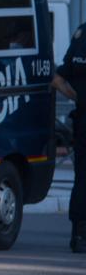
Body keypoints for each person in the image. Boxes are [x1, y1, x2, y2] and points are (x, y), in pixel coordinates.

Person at [52, 25, 86, 253]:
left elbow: (57, 78)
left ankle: (79, 234)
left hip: (82, 120)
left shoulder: (81, 35)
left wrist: (78, 98)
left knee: (83, 177)